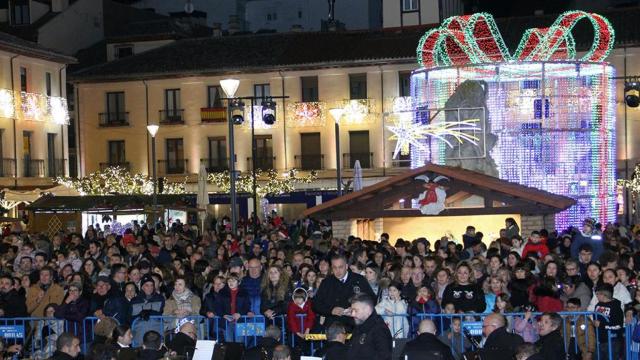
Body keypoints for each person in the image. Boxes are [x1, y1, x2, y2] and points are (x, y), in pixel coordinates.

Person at [313, 254, 375, 329]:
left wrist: (355, 309)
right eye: (334, 268)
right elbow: (316, 305)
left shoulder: (359, 280)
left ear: (346, 266)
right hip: (333, 326)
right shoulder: (326, 283)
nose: (337, 271)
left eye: (340, 267)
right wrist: (331, 310)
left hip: (354, 325)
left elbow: (372, 300)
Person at [347, 293, 392, 360]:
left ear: (367, 309)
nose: (353, 314)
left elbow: (384, 357)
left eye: (356, 310)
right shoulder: (359, 327)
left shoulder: (379, 329)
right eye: (352, 311)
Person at [130, 274, 165, 346]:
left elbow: (160, 313)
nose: (150, 288)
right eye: (147, 285)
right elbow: (130, 317)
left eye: (152, 285)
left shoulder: (159, 298)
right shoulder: (135, 300)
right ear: (142, 287)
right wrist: (140, 315)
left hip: (155, 326)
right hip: (139, 328)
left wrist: (149, 312)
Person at [593, 283, 623, 360]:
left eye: (597, 294)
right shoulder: (598, 305)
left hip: (612, 341)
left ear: (604, 294)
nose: (596, 296)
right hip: (599, 340)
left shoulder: (616, 307)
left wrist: (602, 325)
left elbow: (618, 326)